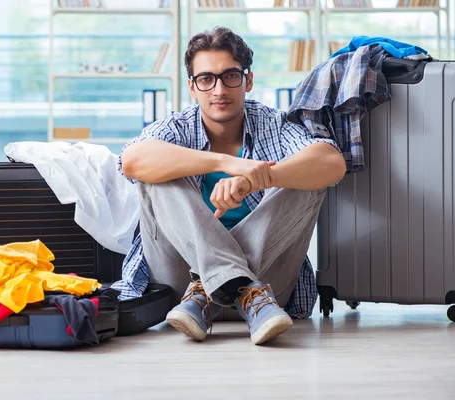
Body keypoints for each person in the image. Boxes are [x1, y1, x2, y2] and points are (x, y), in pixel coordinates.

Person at [116, 27, 346, 345]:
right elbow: (133, 160)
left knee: (304, 175)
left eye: (230, 77)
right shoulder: (177, 128)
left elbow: (332, 163)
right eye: (206, 79)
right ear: (192, 88)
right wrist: (226, 164)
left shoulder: (274, 125)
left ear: (248, 80)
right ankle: (229, 286)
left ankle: (213, 287)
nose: (219, 89)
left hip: (267, 289)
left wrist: (260, 178)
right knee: (158, 173)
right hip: (181, 289)